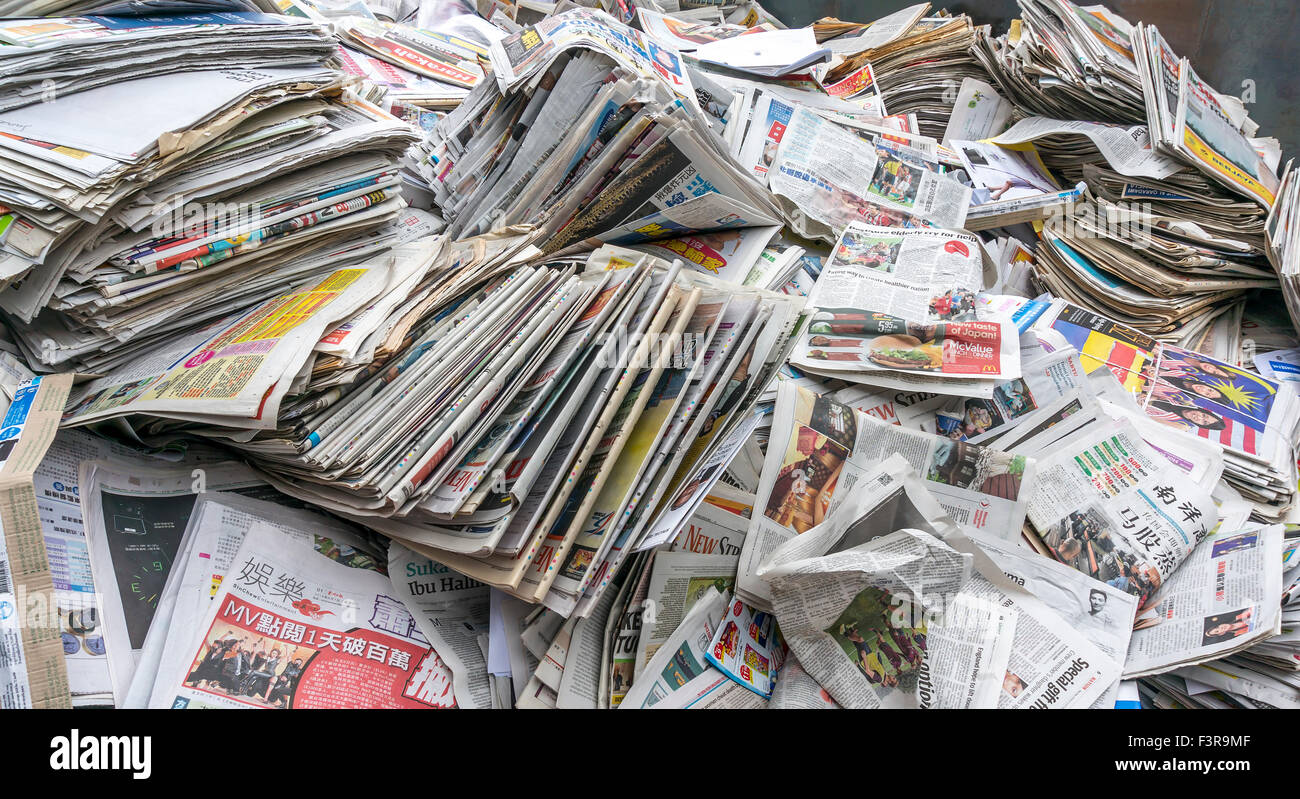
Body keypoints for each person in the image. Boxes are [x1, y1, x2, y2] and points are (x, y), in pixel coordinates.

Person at [1148, 400, 1227, 431]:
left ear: (1202, 426)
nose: (1199, 417)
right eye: (1204, 415)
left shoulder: (1182, 426)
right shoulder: (1188, 402)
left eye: (1204, 422)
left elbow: (1150, 420)